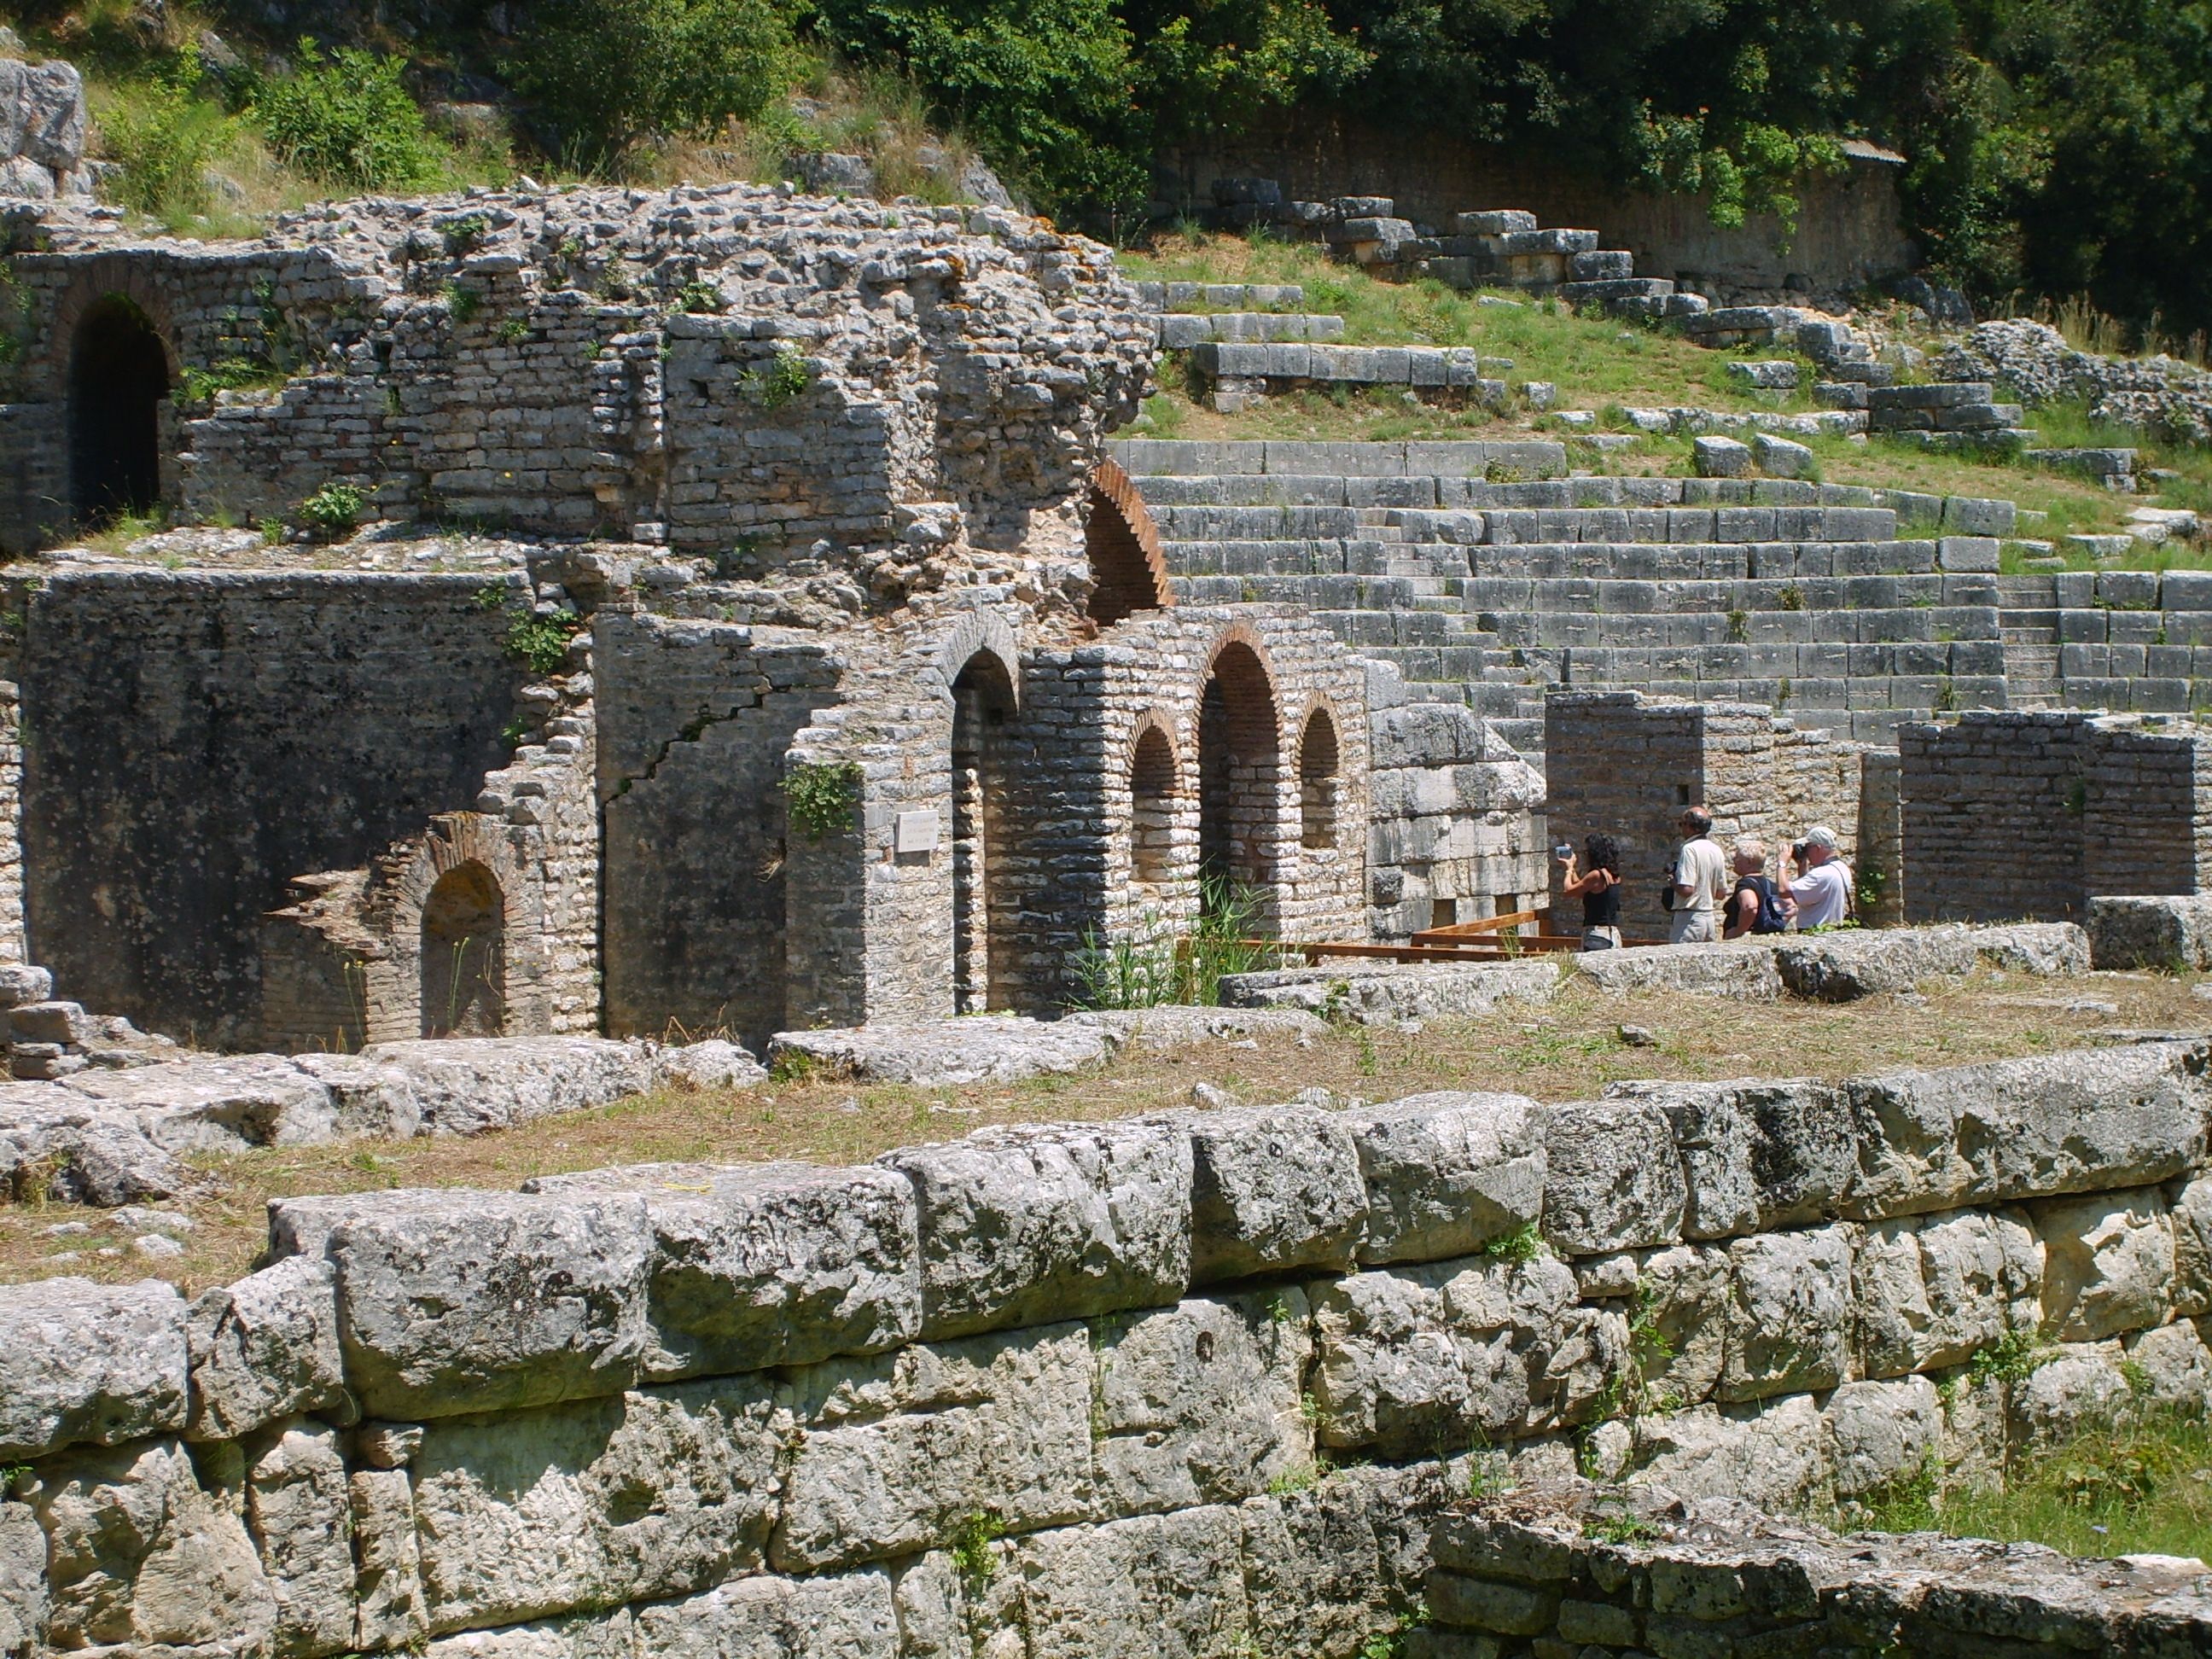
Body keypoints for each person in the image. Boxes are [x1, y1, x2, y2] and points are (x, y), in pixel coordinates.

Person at [1668, 806, 1728, 945]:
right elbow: (1721, 893)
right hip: (1709, 918)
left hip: (1689, 919)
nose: (1681, 828)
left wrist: (1672, 882)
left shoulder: (1689, 849)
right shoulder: (1716, 850)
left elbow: (1687, 890)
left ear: (1690, 827)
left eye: (1682, 824)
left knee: (1681, 962)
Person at [1779, 824, 1854, 929]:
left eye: (1808, 847)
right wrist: (1802, 865)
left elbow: (1784, 891)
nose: (1806, 852)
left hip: (1814, 932)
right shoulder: (1842, 867)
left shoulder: (1820, 874)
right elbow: (1808, 892)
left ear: (1817, 848)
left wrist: (1782, 863)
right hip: (1832, 929)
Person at [1557, 833, 1623, 951]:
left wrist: (1569, 870)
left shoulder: (1596, 875)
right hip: (1611, 933)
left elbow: (1568, 891)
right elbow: (1581, 890)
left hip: (1597, 934)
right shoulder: (1612, 876)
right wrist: (1572, 867)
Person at [1722, 837, 1789, 939]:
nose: (1734, 860)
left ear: (1749, 862)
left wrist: (1737, 931)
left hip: (1747, 940)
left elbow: (1750, 906)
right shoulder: (1772, 886)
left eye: (1737, 857)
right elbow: (1791, 908)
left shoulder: (1745, 884)